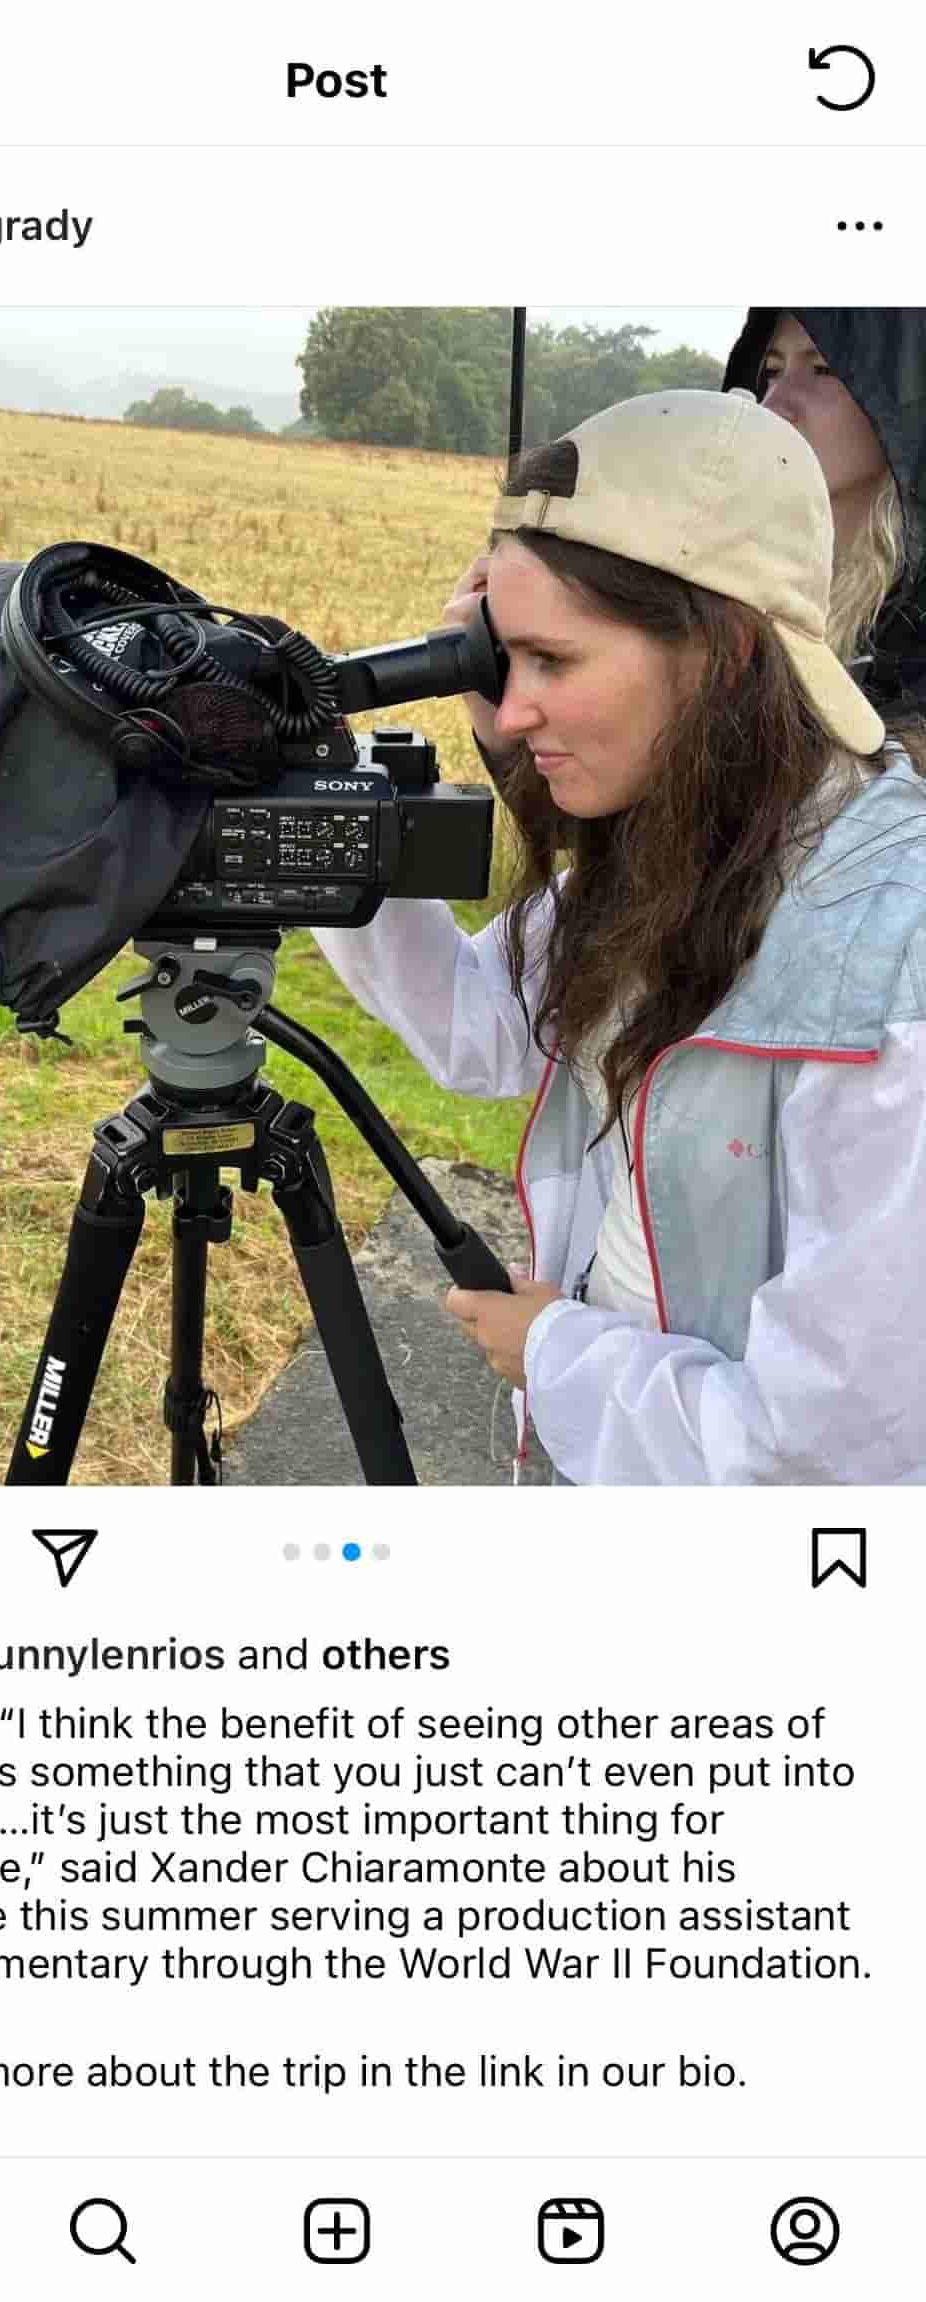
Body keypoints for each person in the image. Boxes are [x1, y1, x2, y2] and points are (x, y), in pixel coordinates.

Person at [313, 387, 926, 1485]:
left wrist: (555, 1353)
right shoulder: (685, 847)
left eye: (553, 663)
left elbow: (831, 1459)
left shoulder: (890, 960)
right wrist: (324, 823)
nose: (505, 717)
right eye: (502, 664)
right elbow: (486, 1031)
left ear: (727, 656)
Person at [723, 308, 926, 723]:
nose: (774, 405)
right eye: (773, 371)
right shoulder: (726, 579)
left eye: (823, 370)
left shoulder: (914, 629)